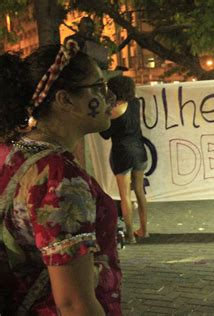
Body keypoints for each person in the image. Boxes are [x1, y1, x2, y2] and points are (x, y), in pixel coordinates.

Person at [0, 40, 121, 315]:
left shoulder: (12, 152)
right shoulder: (59, 176)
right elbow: (74, 303)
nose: (109, 98)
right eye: (98, 88)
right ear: (64, 99)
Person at [100, 76, 149, 244]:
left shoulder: (113, 111)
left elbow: (105, 134)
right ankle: (144, 230)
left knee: (125, 195)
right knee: (140, 191)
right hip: (139, 150)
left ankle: (129, 235)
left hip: (122, 153)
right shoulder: (135, 103)